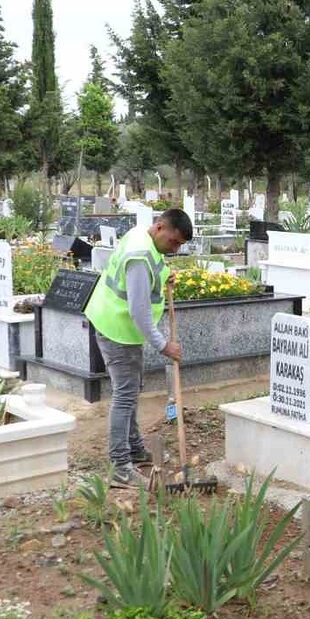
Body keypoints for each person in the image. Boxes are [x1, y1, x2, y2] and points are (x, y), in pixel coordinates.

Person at [83, 208, 193, 487]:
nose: (175, 249)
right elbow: (139, 311)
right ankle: (120, 466)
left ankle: (134, 448)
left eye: (180, 246)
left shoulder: (143, 238)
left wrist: (164, 275)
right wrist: (163, 345)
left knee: (132, 390)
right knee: (124, 396)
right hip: (118, 329)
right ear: (160, 227)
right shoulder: (139, 257)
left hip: (121, 328)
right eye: (174, 242)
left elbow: (152, 270)